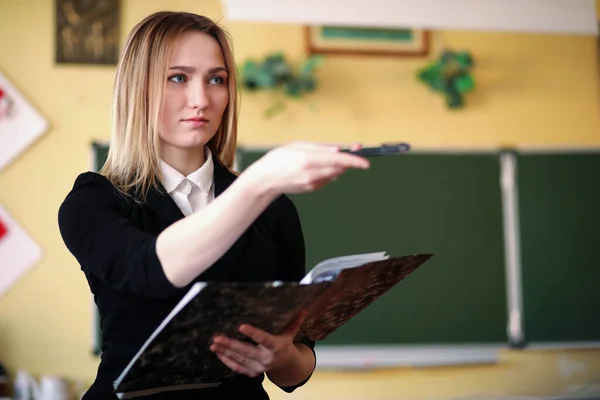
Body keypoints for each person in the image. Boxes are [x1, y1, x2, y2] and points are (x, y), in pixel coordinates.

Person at [58, 11, 370, 400]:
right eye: (178, 78)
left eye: (216, 80)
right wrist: (259, 181)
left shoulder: (273, 209)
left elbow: (296, 369)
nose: (201, 99)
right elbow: (152, 269)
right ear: (138, 89)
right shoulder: (94, 201)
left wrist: (280, 356)